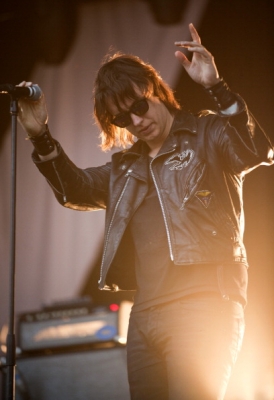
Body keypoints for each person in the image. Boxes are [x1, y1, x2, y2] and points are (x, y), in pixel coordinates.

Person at [18, 23, 273, 399]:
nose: (136, 122)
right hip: (145, 316)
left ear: (155, 89)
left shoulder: (206, 134)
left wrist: (216, 87)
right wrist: (40, 136)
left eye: (139, 106)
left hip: (205, 303)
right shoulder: (126, 168)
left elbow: (257, 150)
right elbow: (74, 191)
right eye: (122, 119)